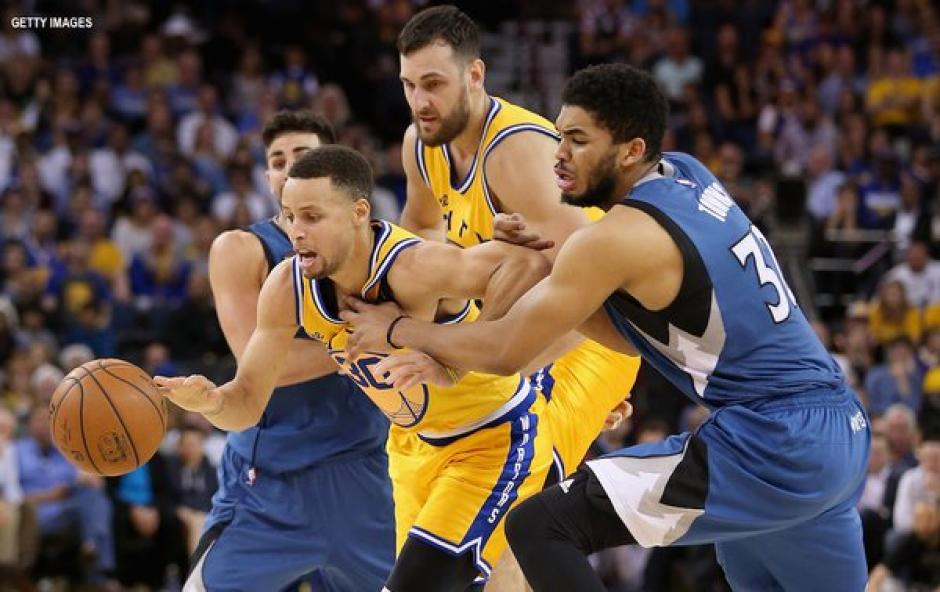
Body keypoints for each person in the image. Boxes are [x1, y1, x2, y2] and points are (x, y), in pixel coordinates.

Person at [342, 63, 871, 591]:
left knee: (541, 526)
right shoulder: (688, 175)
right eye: (558, 136)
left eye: (576, 141)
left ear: (631, 150)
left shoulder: (614, 239)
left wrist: (399, 331)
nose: (558, 155)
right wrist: (541, 259)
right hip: (839, 432)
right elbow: (632, 327)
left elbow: (505, 352)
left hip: (770, 443)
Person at [158, 145, 555, 591]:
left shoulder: (411, 266)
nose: (297, 232)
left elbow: (527, 264)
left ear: (357, 212)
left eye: (312, 217)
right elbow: (246, 405)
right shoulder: (287, 286)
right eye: (289, 217)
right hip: (412, 449)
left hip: (492, 439)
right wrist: (211, 402)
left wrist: (446, 356)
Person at [396, 4, 639, 493]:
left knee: (507, 490)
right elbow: (421, 235)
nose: (420, 100)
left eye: (434, 83)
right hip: (509, 326)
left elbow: (598, 286)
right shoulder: (421, 146)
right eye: (409, 85)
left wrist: (496, 365)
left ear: (475, 75)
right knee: (435, 465)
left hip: (587, 338)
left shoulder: (517, 154)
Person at [182, 111, 395, 591]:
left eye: (303, 157)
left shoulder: (378, 248)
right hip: (270, 478)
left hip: (363, 471)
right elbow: (258, 365)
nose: (289, 169)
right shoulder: (242, 248)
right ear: (267, 176)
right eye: (278, 161)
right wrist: (367, 337)